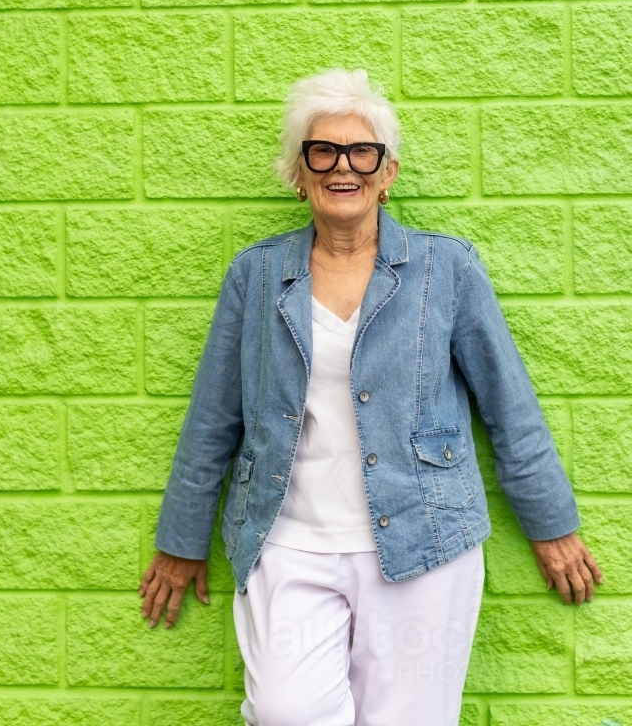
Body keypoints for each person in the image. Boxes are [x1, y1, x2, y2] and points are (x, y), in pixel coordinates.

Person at [139, 69, 602, 726]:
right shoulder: (257, 274)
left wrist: (550, 525)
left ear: (387, 172)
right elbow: (214, 415)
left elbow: (509, 406)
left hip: (425, 537)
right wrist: (180, 538)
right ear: (297, 173)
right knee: (284, 711)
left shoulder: (448, 268)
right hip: (289, 539)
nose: (341, 166)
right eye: (320, 151)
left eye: (362, 152)